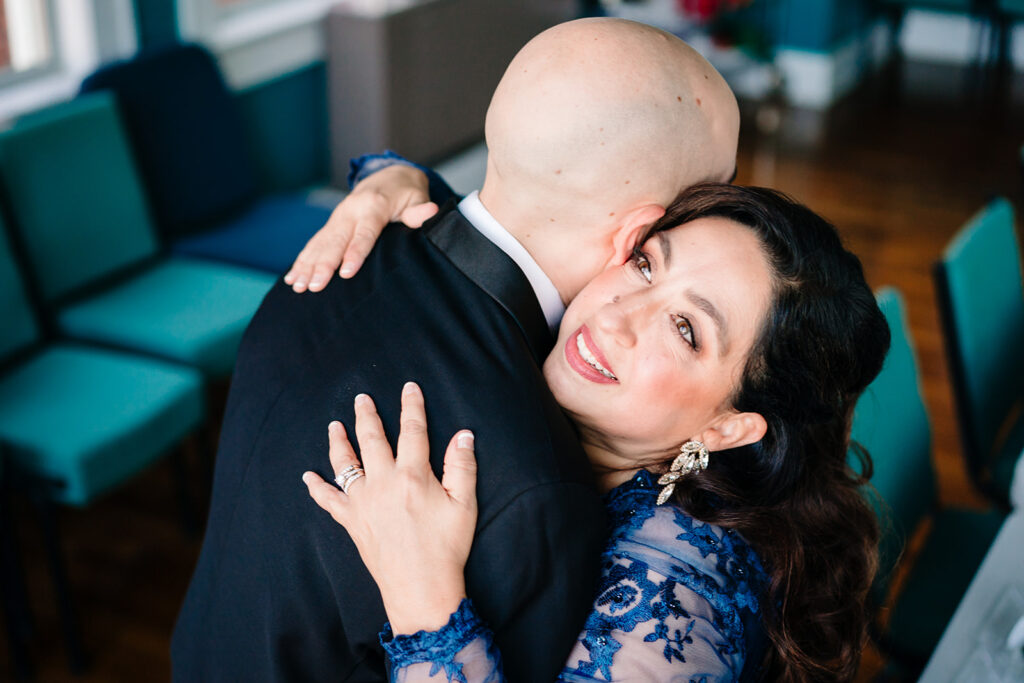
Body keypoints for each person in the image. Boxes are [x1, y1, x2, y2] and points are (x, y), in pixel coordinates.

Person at [171, 18, 740, 683]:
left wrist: (391, 176)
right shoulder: (539, 495)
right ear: (642, 234)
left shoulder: (327, 262)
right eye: (706, 206)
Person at [303, 183, 891, 681]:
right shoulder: (571, 373)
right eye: (645, 265)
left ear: (727, 425)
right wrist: (390, 179)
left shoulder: (676, 590)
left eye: (685, 329)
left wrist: (420, 590)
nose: (614, 315)